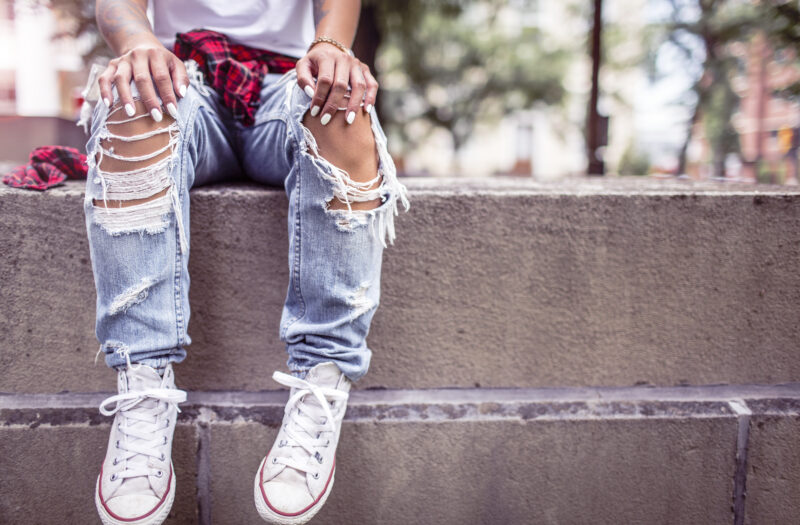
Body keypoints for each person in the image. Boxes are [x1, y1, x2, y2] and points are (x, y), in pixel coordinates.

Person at [85, 1, 408, 524]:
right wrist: (137, 45)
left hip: (285, 83)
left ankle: (323, 382)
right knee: (132, 104)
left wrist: (331, 47)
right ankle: (142, 391)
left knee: (344, 105)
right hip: (182, 77)